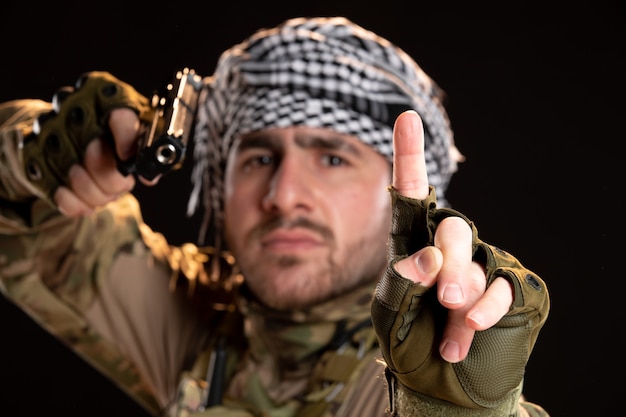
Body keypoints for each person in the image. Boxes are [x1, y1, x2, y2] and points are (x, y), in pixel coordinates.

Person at [0, 16, 550, 417]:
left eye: (332, 158)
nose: (284, 195)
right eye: (260, 157)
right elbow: (30, 236)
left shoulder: (415, 374)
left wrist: (461, 409)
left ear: (401, 195)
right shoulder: (201, 320)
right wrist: (35, 154)